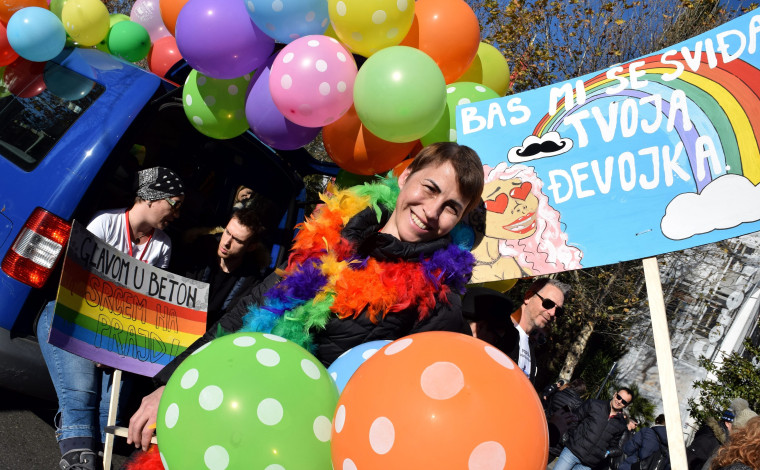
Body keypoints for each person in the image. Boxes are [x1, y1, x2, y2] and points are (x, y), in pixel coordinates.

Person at [126, 141, 485, 452]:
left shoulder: (439, 299)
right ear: (405, 178)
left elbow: (415, 415)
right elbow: (241, 318)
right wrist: (171, 384)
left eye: (452, 207)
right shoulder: (328, 233)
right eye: (431, 188)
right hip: (232, 411)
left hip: (304, 449)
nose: (433, 211)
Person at [37, 167, 185, 470]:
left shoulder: (163, 245)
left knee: (110, 418)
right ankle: (80, 459)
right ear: (150, 197)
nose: (177, 214)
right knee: (81, 395)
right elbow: (78, 285)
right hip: (78, 320)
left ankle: (82, 440)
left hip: (120, 338)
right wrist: (96, 340)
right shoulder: (105, 223)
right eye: (175, 204)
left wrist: (113, 346)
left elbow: (146, 308)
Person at [470, 163, 583, 282]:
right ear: (472, 213)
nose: (520, 206)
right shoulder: (456, 269)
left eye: (519, 191)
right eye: (496, 197)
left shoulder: (524, 265)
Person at [181, 207, 269, 327]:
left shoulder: (251, 281)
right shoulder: (198, 251)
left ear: (251, 247)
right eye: (227, 232)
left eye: (237, 240)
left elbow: (233, 321)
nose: (227, 242)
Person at [554, 387, 635, 470]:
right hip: (571, 452)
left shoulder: (621, 424)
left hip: (589, 464)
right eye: (619, 397)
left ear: (626, 405)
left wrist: (605, 453)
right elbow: (574, 419)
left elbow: (614, 444)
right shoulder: (594, 404)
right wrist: (569, 438)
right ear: (615, 394)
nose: (619, 401)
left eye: (624, 401)